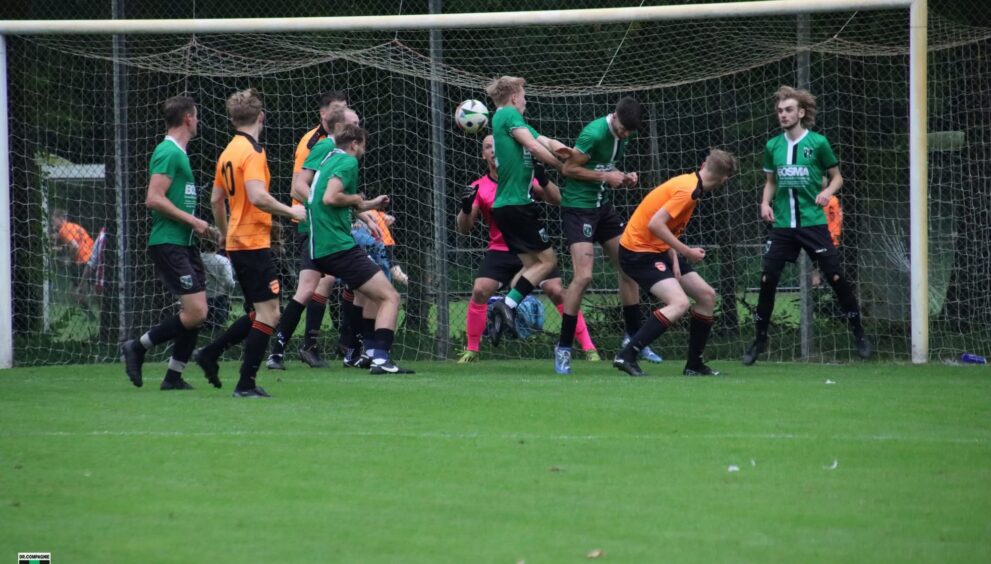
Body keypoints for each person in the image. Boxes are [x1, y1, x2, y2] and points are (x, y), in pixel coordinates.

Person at [742, 86, 871, 365]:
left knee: (835, 276)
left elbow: (837, 177)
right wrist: (764, 203)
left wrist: (828, 192)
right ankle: (759, 340)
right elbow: (771, 182)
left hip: (812, 222)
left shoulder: (818, 143)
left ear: (801, 113)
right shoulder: (772, 146)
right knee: (767, 279)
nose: (783, 115)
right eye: (780, 111)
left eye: (788, 110)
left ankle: (859, 333)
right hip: (783, 225)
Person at [194, 88, 306, 398]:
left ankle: (210, 353)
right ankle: (245, 384)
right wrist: (291, 211)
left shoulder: (228, 151)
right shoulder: (253, 152)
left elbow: (216, 200)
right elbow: (257, 196)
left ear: (232, 121)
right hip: (253, 243)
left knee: (263, 312)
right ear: (262, 117)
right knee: (270, 314)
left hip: (239, 242)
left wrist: (225, 233)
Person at [456, 134, 599, 364]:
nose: (493, 150)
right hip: (501, 250)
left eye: (497, 146)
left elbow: (557, 199)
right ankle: (472, 349)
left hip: (531, 247)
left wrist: (543, 179)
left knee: (556, 289)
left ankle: (589, 347)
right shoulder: (478, 187)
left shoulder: (522, 176)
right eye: (488, 147)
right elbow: (464, 228)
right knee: (480, 289)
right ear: (483, 155)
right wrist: (465, 209)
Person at [554, 97, 661, 375]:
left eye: (629, 132)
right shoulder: (593, 134)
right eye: (622, 129)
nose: (625, 134)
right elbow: (568, 169)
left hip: (603, 208)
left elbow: (603, 167)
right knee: (584, 277)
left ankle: (633, 340)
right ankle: (563, 347)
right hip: (579, 209)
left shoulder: (623, 133)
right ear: (614, 116)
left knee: (629, 268)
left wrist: (623, 177)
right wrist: (607, 177)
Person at [120, 95, 217, 390]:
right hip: (168, 242)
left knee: (196, 314)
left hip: (184, 243)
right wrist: (194, 221)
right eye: (196, 116)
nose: (198, 121)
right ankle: (137, 346)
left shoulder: (179, 153)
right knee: (196, 312)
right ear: (188, 118)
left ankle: (173, 377)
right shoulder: (167, 151)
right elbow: (153, 198)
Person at [613, 149, 737, 377]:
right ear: (724, 179)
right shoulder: (688, 191)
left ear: (703, 165)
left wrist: (674, 258)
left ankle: (694, 365)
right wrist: (686, 251)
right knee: (679, 303)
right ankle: (627, 355)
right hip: (638, 252)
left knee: (706, 296)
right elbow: (655, 224)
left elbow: (664, 226)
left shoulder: (691, 183)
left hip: (657, 250)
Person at [307, 124, 412, 374]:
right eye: (363, 146)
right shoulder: (348, 162)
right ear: (354, 144)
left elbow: (335, 201)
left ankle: (364, 353)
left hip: (321, 245)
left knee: (367, 295)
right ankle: (381, 359)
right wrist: (355, 198)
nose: (364, 151)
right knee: (390, 297)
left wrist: (371, 204)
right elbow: (331, 198)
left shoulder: (329, 159)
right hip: (338, 245)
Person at [266, 99, 358, 370]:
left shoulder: (341, 153)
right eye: (354, 124)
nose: (358, 129)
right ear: (340, 126)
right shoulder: (324, 146)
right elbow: (298, 187)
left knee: (323, 286)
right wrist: (318, 210)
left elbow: (335, 195)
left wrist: (363, 213)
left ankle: (289, 350)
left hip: (329, 229)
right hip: (318, 230)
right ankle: (348, 346)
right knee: (348, 282)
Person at [484, 76, 571, 343]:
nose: (526, 100)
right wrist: (562, 168)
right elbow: (533, 146)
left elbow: (544, 140)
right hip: (518, 205)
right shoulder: (507, 114)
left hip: (507, 207)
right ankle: (506, 306)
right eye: (523, 95)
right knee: (548, 262)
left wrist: (575, 154)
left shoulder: (513, 121)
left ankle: (503, 310)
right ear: (513, 97)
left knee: (531, 266)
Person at [200, 235, 236, 330]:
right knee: (217, 325)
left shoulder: (197, 259)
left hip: (200, 297)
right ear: (218, 243)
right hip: (219, 299)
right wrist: (229, 292)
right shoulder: (223, 260)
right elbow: (229, 282)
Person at [51, 209, 94, 284]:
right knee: (89, 287)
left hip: (82, 261)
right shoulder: (73, 226)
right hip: (92, 256)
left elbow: (75, 246)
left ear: (60, 218)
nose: (52, 223)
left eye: (53, 220)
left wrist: (69, 259)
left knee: (77, 288)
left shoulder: (63, 230)